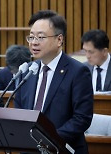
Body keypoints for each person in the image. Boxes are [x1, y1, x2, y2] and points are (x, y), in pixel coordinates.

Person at [14, 10, 93, 154]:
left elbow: (82, 118)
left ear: (59, 40)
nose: (34, 42)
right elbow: (20, 112)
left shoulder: (78, 72)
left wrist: (48, 140)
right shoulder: (27, 71)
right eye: (31, 37)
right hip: (29, 150)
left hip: (62, 149)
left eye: (41, 37)